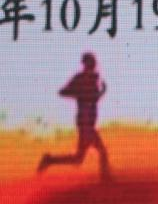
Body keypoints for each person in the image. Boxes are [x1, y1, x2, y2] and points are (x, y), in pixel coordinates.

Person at [38, 52, 111, 181]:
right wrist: (79, 93)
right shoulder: (80, 78)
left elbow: (93, 99)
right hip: (85, 122)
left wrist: (101, 92)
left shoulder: (94, 79)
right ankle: (105, 179)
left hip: (89, 122)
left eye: (93, 62)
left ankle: (49, 160)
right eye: (91, 62)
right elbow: (63, 92)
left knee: (78, 158)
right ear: (86, 63)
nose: (94, 64)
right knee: (102, 151)